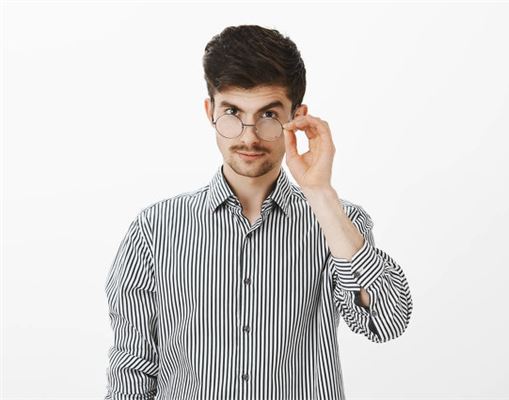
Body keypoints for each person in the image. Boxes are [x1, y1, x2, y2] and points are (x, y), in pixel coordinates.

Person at [104, 24, 413, 400]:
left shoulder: (338, 223)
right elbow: (132, 371)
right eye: (232, 112)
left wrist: (319, 192)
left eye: (268, 115)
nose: (249, 136)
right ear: (210, 111)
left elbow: (387, 321)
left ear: (297, 117)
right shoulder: (155, 229)